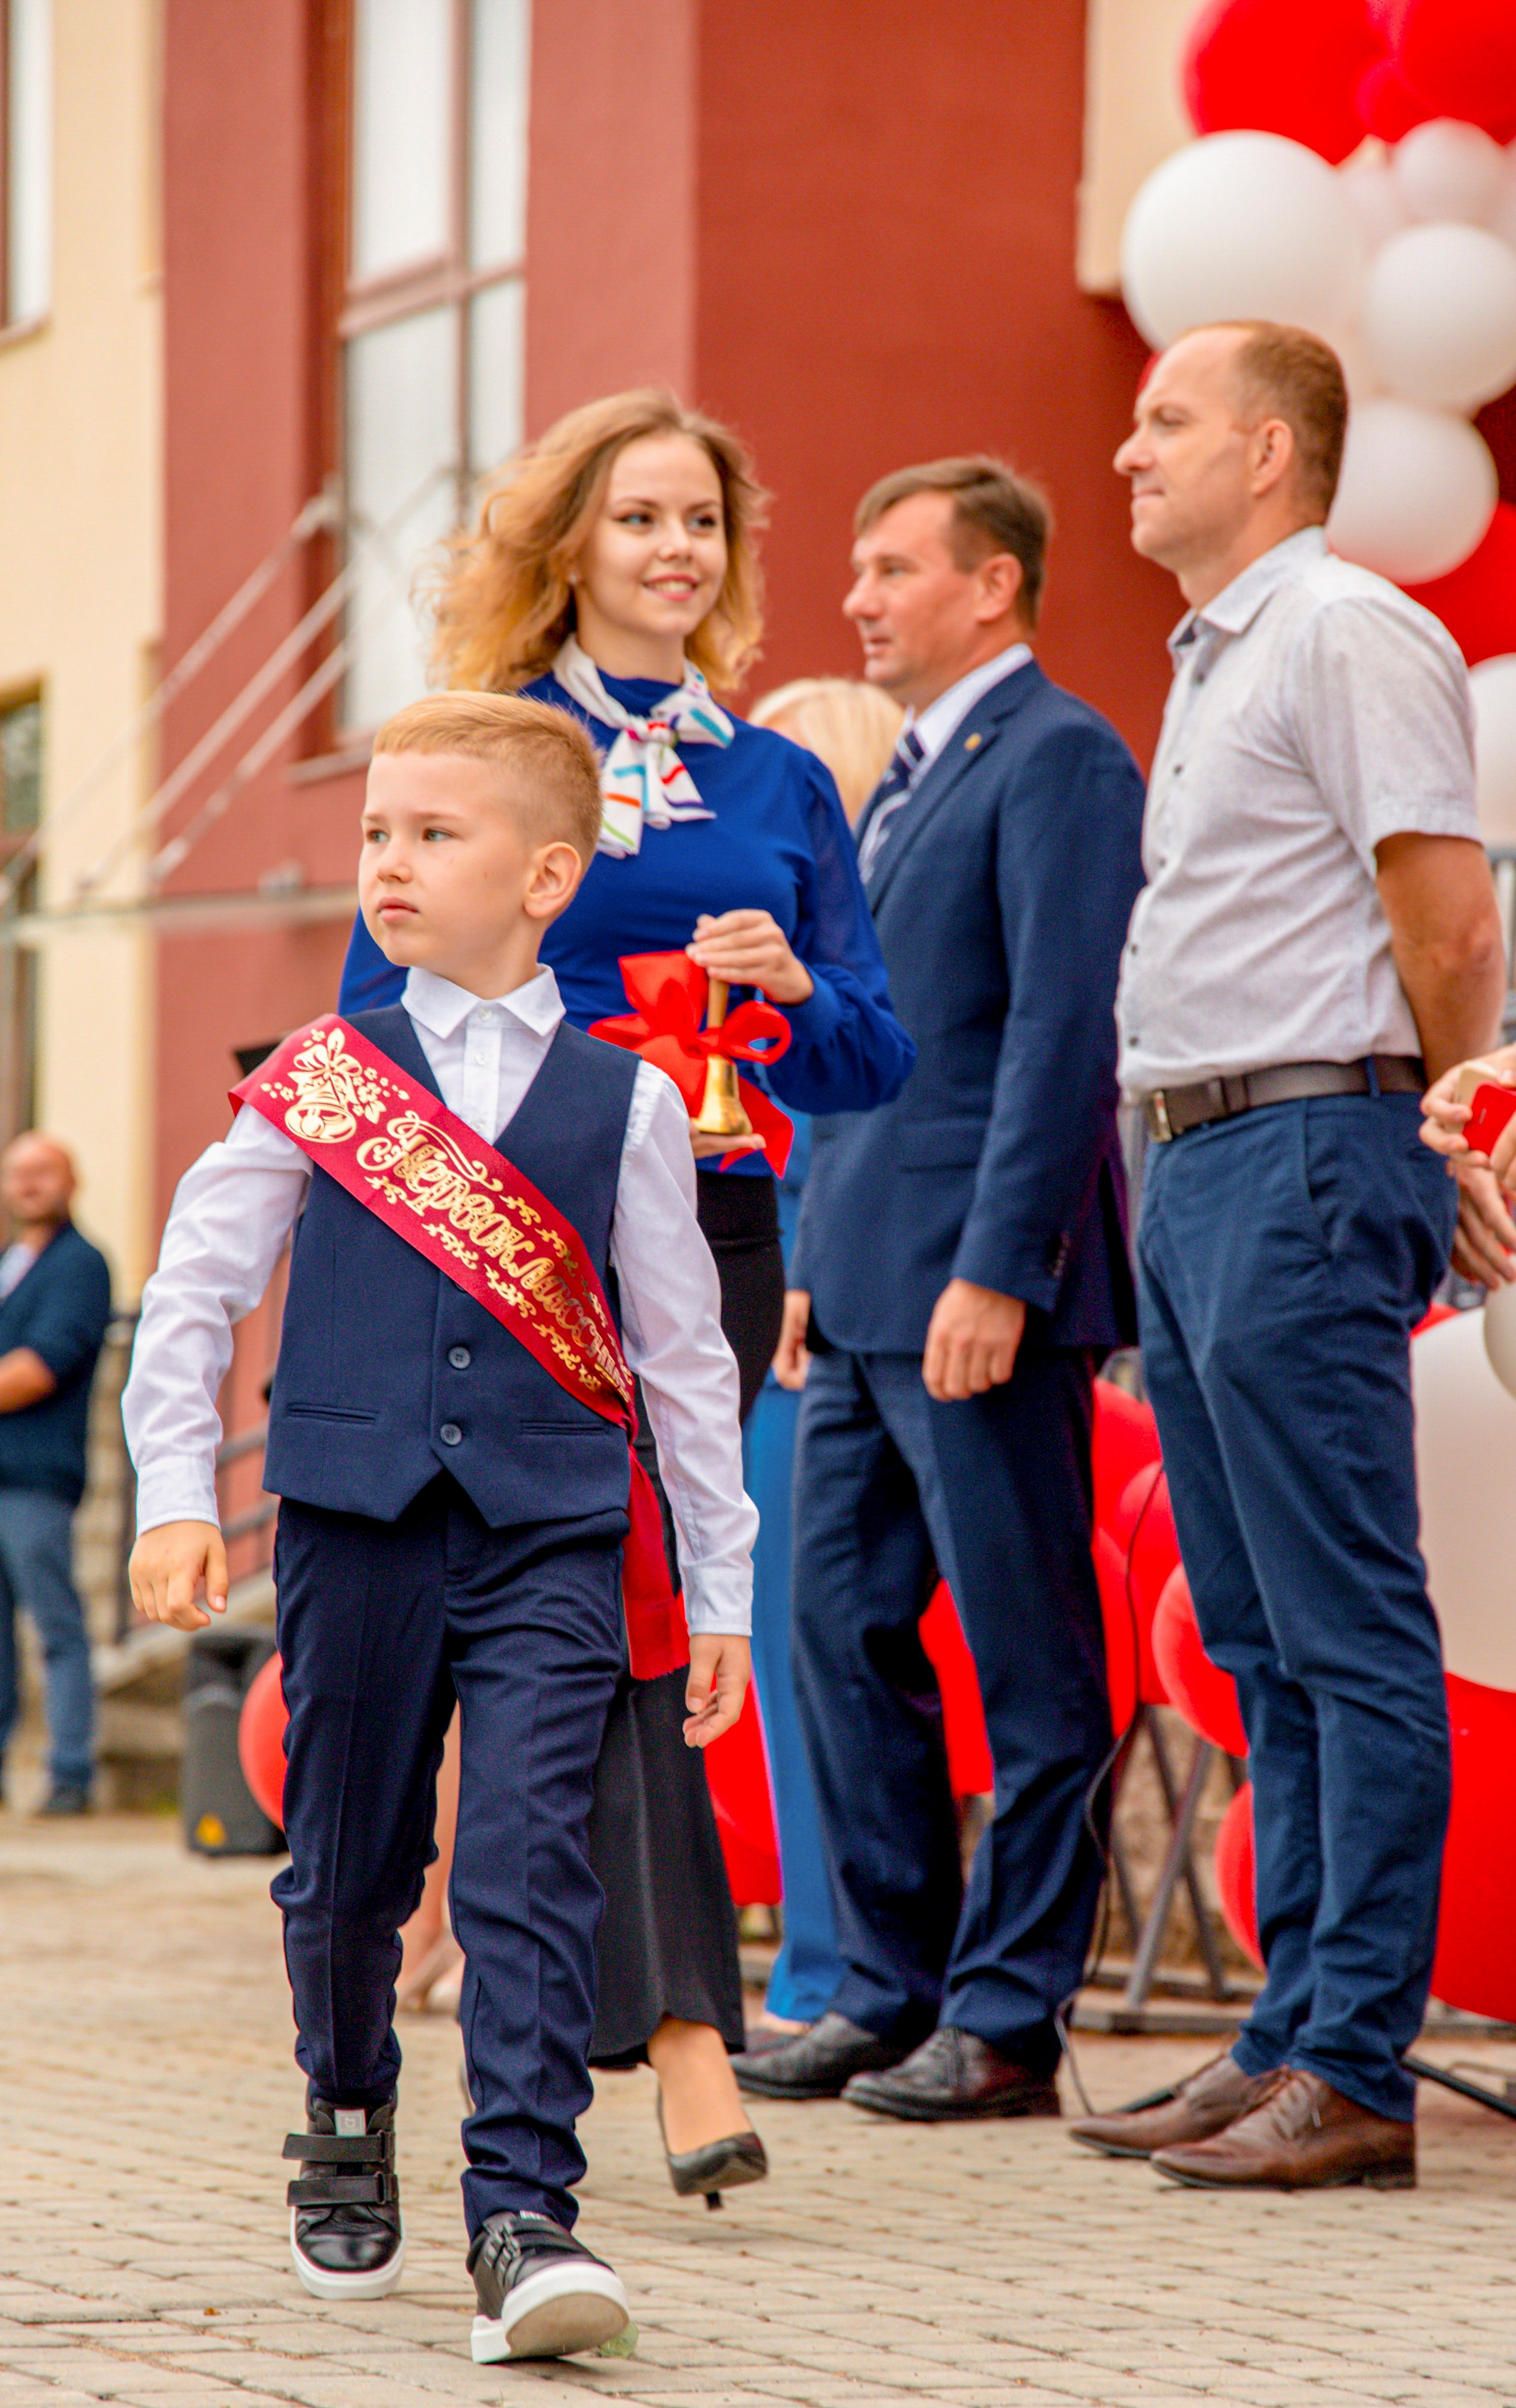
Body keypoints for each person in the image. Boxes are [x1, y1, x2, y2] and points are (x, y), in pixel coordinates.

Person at [123, 693, 756, 2360]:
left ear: (548, 873)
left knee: (530, 1860)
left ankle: (521, 2208)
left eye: (432, 833)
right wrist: (180, 1496)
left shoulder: (622, 1103)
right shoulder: (321, 1080)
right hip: (353, 1524)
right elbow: (193, 1293)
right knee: (343, 1867)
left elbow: (683, 1362)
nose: (388, 861)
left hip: (550, 1523)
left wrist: (719, 1588)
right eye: (376, 832)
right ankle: (343, 2098)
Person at [338, 391, 914, 2188]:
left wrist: (792, 991)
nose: (677, 552)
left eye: (703, 525)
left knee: (631, 1598)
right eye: (640, 518)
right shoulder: (488, 752)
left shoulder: (776, 780)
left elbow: (871, 1057)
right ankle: (672, 2041)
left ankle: (636, 2027)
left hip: (712, 1239)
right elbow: (379, 1012)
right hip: (514, 1224)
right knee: (600, 1601)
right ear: (567, 544)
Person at [1068, 322, 1504, 2192]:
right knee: (1254, 1631)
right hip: (1194, 1160)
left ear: (1267, 448)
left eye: (1162, 422)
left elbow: (1443, 905)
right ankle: (1278, 2034)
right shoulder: (1221, 653)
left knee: (1339, 1622)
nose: (1124, 452)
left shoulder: (1339, 628)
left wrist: (1444, 1103)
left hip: (1306, 1145)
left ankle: (1352, 2066)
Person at [738, 457, 1146, 2120]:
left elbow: (1060, 1030)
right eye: (856, 563)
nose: (856, 595)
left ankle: (1006, 2016)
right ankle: (886, 1987)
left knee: (1033, 1662)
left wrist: (1005, 1264)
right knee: (838, 1634)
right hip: (854, 1295)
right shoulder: (902, 778)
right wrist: (810, 1266)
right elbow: (872, 1050)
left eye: (892, 565)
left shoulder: (1058, 757)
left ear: (990, 586)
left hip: (980, 1294)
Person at [739, 677, 903, 2033]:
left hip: (825, 1284)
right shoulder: (768, 938)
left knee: (816, 1641)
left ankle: (837, 1963)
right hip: (787, 1278)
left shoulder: (844, 946)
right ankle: (831, 1955)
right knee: (805, 1642)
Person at [0, 1134, 112, 1816]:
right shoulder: (12, 1261)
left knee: (57, 1627)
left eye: (44, 1172)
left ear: (72, 1182)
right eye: (18, 1174)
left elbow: (41, 1365)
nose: (29, 1184)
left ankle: (71, 1772)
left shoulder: (81, 1264)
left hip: (36, 1479)